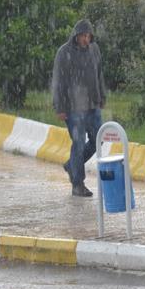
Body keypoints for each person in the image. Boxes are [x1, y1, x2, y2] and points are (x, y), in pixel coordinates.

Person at [51, 19, 107, 197]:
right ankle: (77, 184)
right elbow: (58, 81)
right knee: (79, 143)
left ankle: (72, 165)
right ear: (76, 36)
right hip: (73, 108)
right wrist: (59, 107)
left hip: (92, 105)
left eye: (88, 35)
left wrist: (102, 96)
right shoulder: (64, 52)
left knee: (99, 138)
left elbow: (99, 74)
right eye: (83, 35)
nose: (86, 39)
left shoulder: (94, 50)